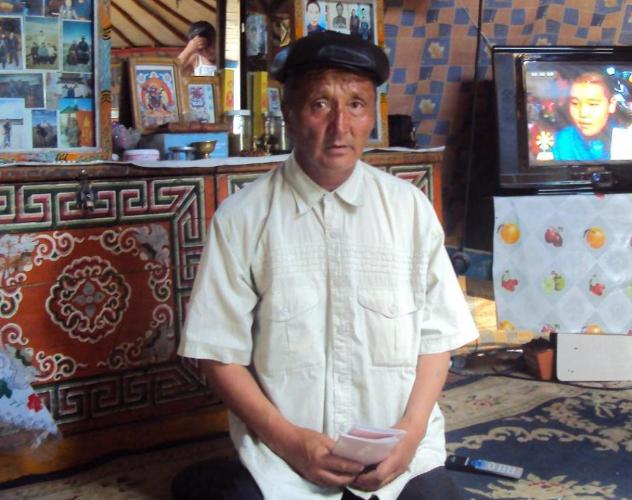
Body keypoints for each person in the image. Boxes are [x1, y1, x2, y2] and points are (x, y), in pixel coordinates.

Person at [177, 31, 478, 500]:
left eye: (356, 105)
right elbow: (218, 354)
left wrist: (411, 433)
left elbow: (437, 338)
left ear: (373, 115)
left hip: (397, 456)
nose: (340, 127)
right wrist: (290, 442)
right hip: (283, 460)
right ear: (289, 112)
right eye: (320, 104)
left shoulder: (408, 210)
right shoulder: (243, 218)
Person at [552, 72, 617, 161]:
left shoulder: (625, 139)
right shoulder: (560, 141)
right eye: (575, 103)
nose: (583, 113)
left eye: (593, 104)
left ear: (611, 105)